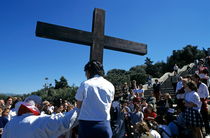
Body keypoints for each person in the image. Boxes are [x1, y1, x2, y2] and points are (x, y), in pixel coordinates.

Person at [2, 95, 78, 138]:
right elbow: (65, 122)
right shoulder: (39, 121)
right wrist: (81, 107)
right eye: (41, 105)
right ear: (37, 106)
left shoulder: (10, 123)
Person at [75, 60, 115, 138]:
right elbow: (109, 104)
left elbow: (78, 105)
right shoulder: (110, 85)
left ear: (89, 72)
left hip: (87, 125)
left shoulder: (85, 84)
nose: (86, 75)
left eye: (86, 73)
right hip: (104, 125)